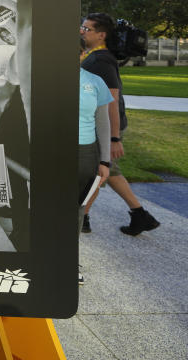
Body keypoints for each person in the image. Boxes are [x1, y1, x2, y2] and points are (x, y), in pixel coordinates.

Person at [79, 12, 159, 237]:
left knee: (100, 171)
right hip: (99, 125)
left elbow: (111, 101)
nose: (81, 31)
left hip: (106, 125)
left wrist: (114, 138)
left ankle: (84, 216)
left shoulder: (101, 59)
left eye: (87, 29)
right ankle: (139, 214)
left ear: (101, 35)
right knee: (107, 171)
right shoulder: (96, 56)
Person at [77, 38, 112, 284]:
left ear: (83, 54)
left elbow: (103, 124)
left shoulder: (94, 82)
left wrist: (106, 161)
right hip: (50, 151)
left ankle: (68, 260)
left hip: (85, 153)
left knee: (77, 208)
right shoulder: (40, 78)